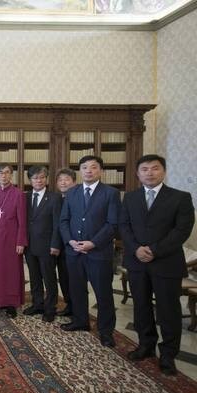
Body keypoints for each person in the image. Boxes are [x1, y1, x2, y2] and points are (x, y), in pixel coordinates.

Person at [119, 154, 195, 375]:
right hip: (137, 261)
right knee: (141, 306)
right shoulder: (130, 198)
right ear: (138, 173)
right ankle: (146, 345)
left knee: (168, 310)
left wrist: (154, 250)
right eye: (144, 169)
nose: (149, 173)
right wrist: (136, 249)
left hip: (166, 262)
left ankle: (169, 355)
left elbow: (182, 230)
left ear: (163, 171)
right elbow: (124, 226)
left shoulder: (180, 197)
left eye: (154, 168)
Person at [60, 156, 120, 348]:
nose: (88, 171)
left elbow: (112, 224)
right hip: (74, 251)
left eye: (93, 167)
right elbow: (64, 221)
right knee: (77, 289)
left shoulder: (111, 193)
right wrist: (70, 241)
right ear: (80, 171)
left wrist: (93, 243)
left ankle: (105, 331)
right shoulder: (72, 192)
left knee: (103, 293)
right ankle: (80, 321)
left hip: (99, 253)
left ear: (100, 171)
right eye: (84, 167)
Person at [0, 164, 27, 318]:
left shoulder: (18, 194)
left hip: (11, 236)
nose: (3, 176)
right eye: (0, 173)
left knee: (11, 270)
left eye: (7, 173)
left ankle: (10, 303)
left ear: (11, 175)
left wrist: (21, 241)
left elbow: (22, 221)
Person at [23, 166, 62, 322]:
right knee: (34, 277)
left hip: (47, 246)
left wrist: (55, 244)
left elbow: (57, 223)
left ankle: (50, 308)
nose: (38, 181)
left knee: (49, 279)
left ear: (46, 179)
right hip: (30, 245)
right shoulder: (25, 197)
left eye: (41, 177)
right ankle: (37, 304)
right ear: (30, 180)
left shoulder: (55, 198)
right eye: (35, 178)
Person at [54, 168, 76, 316]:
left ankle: (77, 307)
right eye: (60, 180)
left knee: (74, 278)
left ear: (74, 182)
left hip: (74, 245)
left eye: (67, 179)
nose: (63, 182)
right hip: (59, 246)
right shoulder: (56, 199)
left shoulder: (78, 198)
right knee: (63, 277)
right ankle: (69, 304)